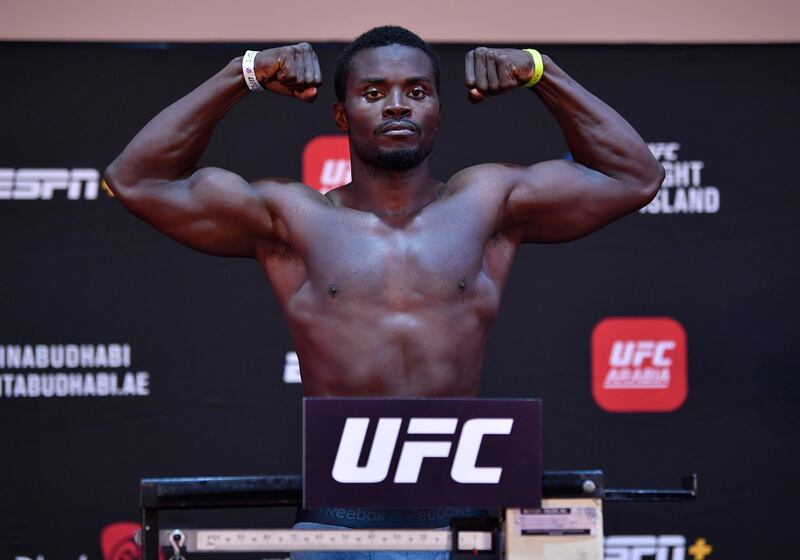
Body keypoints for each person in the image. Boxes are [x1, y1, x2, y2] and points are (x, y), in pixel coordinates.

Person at [104, 25, 663, 553]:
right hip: (336, 518)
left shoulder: (487, 205)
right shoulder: (293, 219)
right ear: (341, 115)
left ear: (438, 113)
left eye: (417, 91)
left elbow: (635, 178)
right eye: (373, 92)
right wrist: (242, 72)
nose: (397, 104)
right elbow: (136, 179)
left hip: (460, 512)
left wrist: (543, 72)